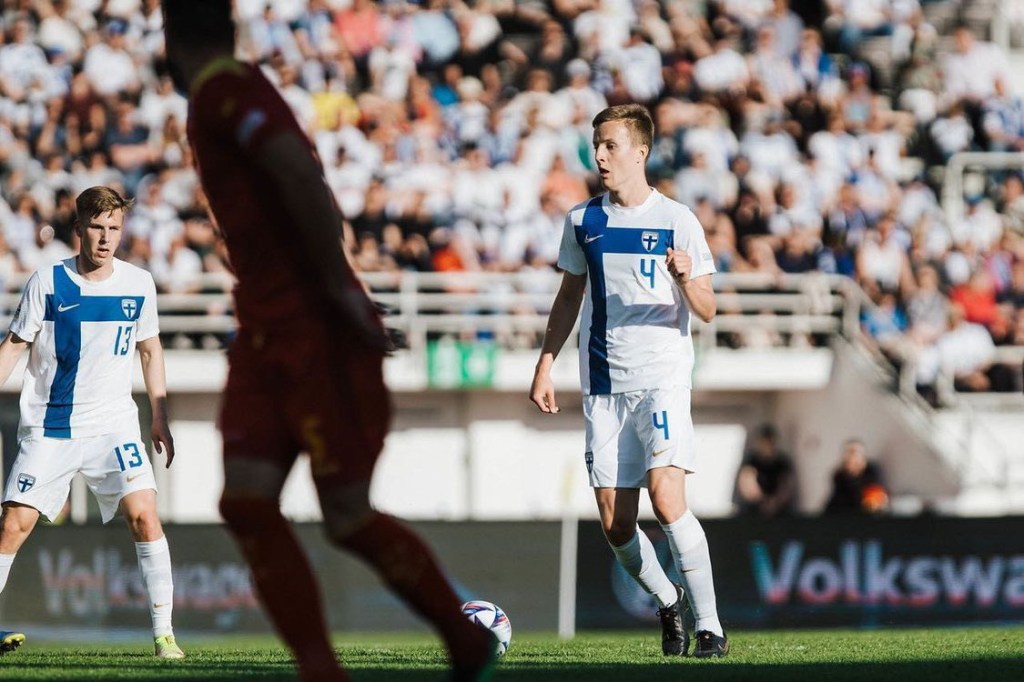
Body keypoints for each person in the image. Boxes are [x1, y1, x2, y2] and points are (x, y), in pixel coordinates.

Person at [161, 3, 493, 681]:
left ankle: (466, 641)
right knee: (246, 500)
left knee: (344, 513)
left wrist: (340, 292)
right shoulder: (218, 94)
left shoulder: (225, 91)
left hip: (309, 326)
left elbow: (299, 175)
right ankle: (321, 671)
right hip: (262, 328)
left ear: (170, 37)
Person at [529, 104, 728, 658]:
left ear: (640, 152)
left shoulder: (677, 219)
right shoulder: (582, 220)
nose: (600, 156)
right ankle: (669, 603)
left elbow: (708, 309)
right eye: (596, 145)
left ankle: (710, 625)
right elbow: (569, 295)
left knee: (667, 501)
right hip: (603, 384)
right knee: (617, 526)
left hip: (662, 378)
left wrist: (688, 279)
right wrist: (546, 362)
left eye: (610, 145)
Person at [0, 187, 184, 659]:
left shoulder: (139, 282)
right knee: (14, 524)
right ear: (79, 228)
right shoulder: (47, 281)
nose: (106, 239)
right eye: (97, 228)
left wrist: (159, 415)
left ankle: (164, 636)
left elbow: (150, 349)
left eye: (114, 229)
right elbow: (16, 346)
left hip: (114, 425)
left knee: (144, 513)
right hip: (52, 425)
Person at [735, 424, 797, 517]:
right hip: (751, 512)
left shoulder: (783, 462)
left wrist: (775, 502)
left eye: (770, 442)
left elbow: (787, 486)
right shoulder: (750, 461)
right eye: (764, 442)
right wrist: (762, 501)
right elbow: (747, 485)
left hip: (780, 513)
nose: (767, 446)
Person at [824, 439, 889, 514]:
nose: (851, 456)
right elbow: (835, 501)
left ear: (863, 455)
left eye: (854, 452)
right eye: (848, 453)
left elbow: (876, 499)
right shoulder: (839, 475)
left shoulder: (872, 473)